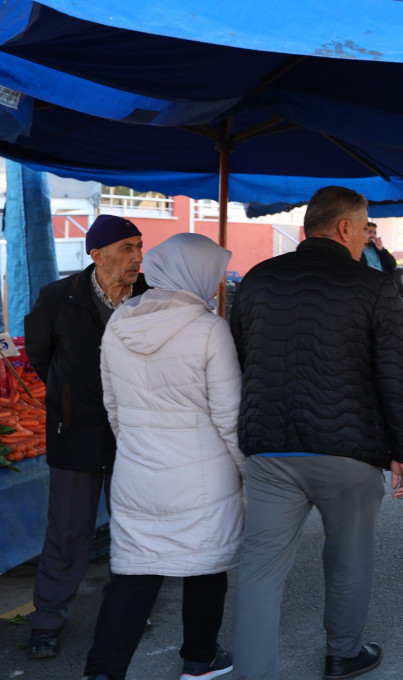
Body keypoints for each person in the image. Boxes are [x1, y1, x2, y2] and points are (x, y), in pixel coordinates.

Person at [230, 187, 403, 680]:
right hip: (348, 451)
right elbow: (397, 374)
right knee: (349, 556)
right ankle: (343, 654)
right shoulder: (374, 286)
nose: (363, 239)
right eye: (362, 229)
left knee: (259, 568)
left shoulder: (257, 280)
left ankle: (254, 672)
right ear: (344, 229)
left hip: (270, 448)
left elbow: (241, 359)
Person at [84, 233, 242, 680]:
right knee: (205, 565)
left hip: (136, 472)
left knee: (135, 573)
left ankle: (102, 671)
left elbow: (112, 406)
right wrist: (248, 471)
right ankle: (200, 658)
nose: (214, 286)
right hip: (203, 475)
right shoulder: (211, 329)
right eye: (211, 275)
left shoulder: (119, 323)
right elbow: (229, 417)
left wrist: (139, 447)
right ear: (194, 274)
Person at [23, 215, 146, 660]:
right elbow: (40, 355)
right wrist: (69, 396)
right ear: (97, 254)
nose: (137, 257)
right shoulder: (58, 297)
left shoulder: (150, 298)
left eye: (139, 246)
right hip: (75, 432)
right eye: (127, 247)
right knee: (68, 530)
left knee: (132, 527)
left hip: (134, 434)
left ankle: (129, 610)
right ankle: (47, 620)